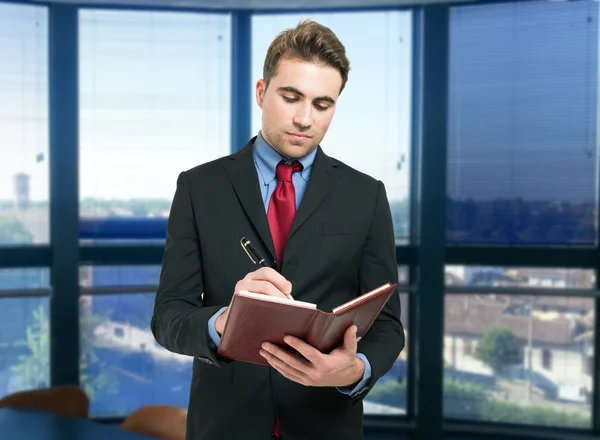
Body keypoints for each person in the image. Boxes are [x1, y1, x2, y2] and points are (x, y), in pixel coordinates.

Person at [151, 19, 405, 440]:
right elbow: (168, 316)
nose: (305, 119)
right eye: (291, 97)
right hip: (224, 425)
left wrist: (355, 369)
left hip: (325, 424)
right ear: (261, 92)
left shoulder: (367, 196)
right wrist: (223, 323)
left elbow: (388, 325)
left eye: (322, 105)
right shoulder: (199, 188)